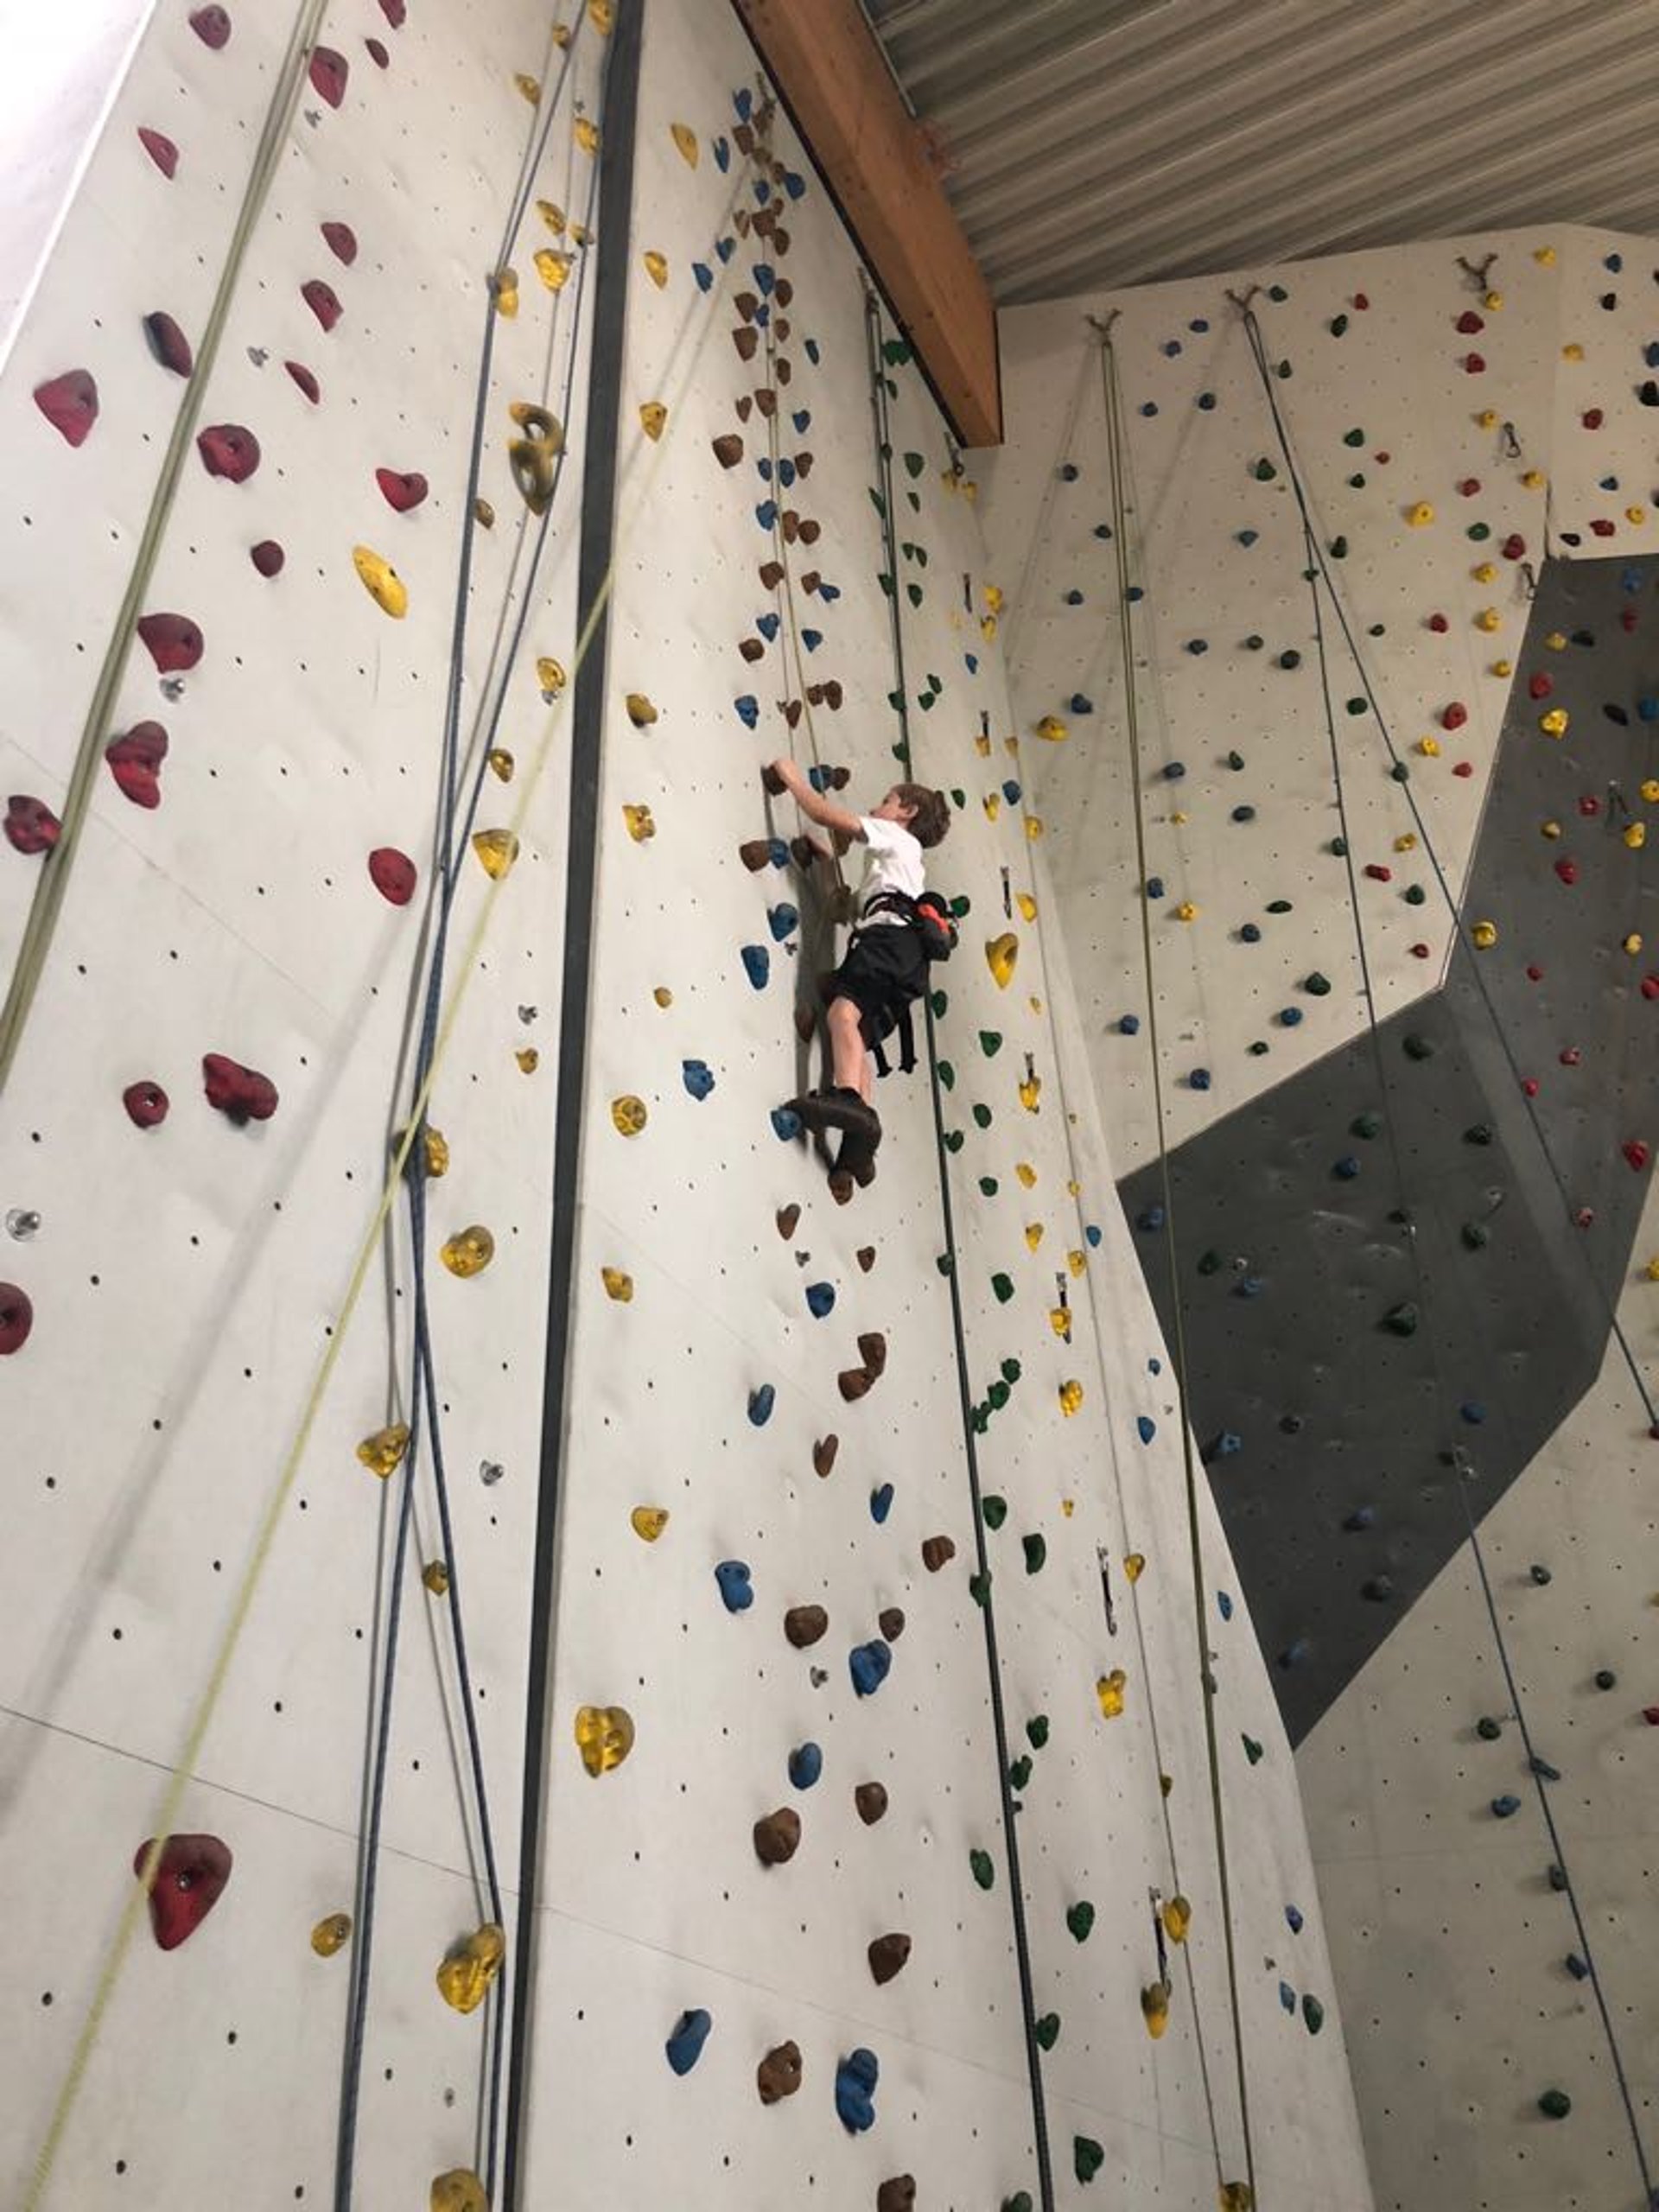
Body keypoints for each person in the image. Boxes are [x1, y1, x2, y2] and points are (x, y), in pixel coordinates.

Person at [766, 755, 951, 1181]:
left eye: (885, 801)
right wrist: (827, 857)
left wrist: (792, 778)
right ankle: (857, 1149)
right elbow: (839, 905)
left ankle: (849, 1100)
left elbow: (824, 813)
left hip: (887, 941)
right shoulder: (899, 875)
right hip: (908, 960)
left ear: (907, 812)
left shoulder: (898, 838)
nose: (875, 808)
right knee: (859, 1039)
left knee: (840, 1014)